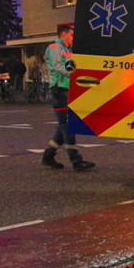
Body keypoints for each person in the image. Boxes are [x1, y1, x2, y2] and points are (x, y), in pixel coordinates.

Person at [41, 24, 95, 171]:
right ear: (63, 34)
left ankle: (48, 156)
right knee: (68, 125)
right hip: (59, 90)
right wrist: (74, 76)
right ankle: (76, 160)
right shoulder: (55, 48)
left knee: (63, 125)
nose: (73, 38)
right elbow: (58, 66)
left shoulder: (68, 50)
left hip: (67, 90)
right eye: (71, 35)